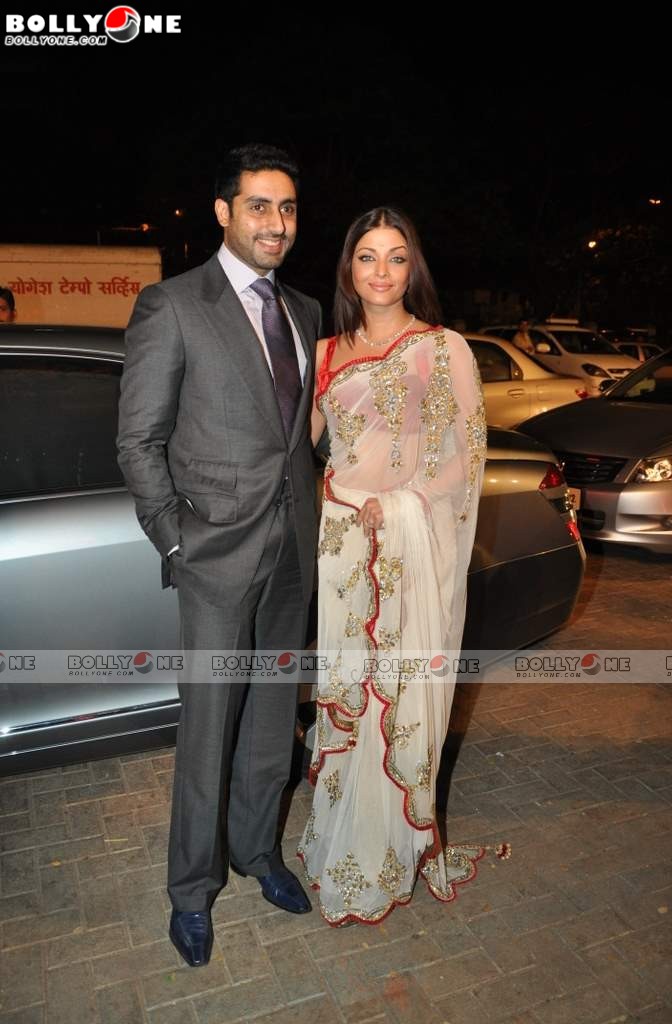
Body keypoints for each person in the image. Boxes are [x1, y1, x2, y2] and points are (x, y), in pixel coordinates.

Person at [117, 144, 323, 967]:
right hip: (215, 558)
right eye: (261, 206)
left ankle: (258, 851)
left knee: (272, 723)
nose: (277, 223)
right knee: (208, 730)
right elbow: (139, 441)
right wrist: (177, 539)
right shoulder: (172, 304)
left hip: (291, 557)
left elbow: (295, 438)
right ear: (223, 212)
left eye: (289, 209)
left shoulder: (305, 311)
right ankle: (192, 892)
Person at [297, 207, 490, 925]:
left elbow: (461, 464)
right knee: (346, 693)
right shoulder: (320, 353)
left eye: (396, 256)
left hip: (405, 548)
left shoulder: (444, 350)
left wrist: (401, 502)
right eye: (367, 256)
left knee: (398, 695)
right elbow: (296, 451)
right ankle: (343, 839)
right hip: (342, 550)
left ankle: (389, 850)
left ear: (415, 268)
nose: (381, 271)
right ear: (348, 267)